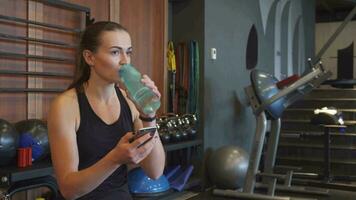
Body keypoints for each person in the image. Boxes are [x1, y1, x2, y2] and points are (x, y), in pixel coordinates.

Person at [48, 21, 165, 200]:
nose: (125, 61)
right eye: (115, 52)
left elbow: (155, 171)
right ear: (90, 58)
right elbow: (68, 190)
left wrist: (149, 115)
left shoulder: (130, 100)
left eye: (129, 52)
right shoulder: (66, 106)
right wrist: (114, 159)